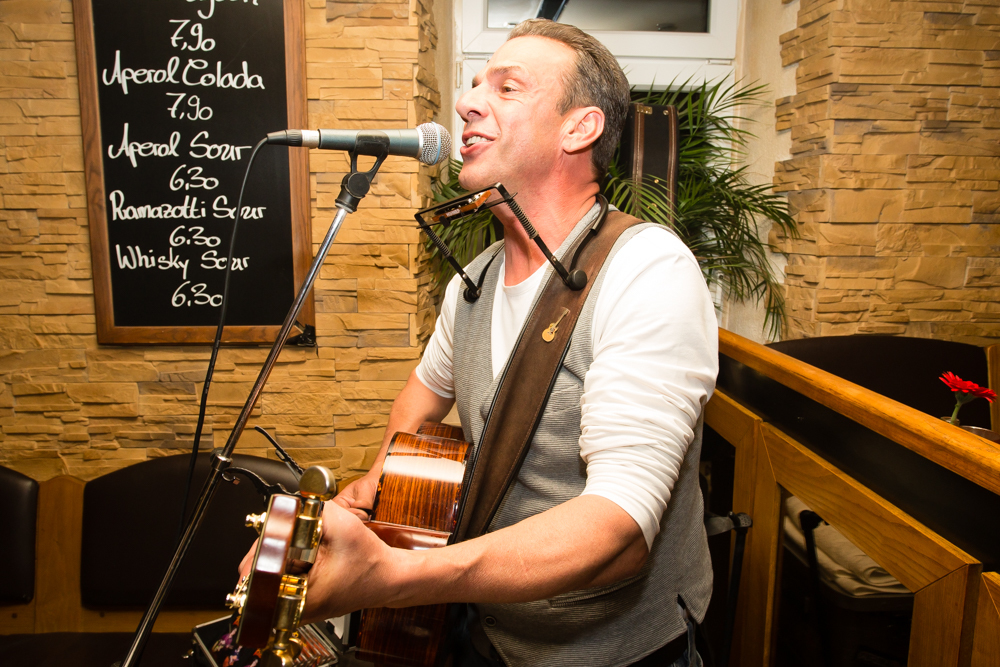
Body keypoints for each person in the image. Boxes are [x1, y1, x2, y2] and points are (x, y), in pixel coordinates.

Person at [244, 18, 718, 667]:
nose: (467, 102)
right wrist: (381, 479)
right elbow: (422, 395)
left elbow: (620, 530)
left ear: (580, 128)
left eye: (506, 87)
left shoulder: (648, 271)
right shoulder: (475, 278)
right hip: (489, 633)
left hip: (616, 650)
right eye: (472, 85)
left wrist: (394, 576)